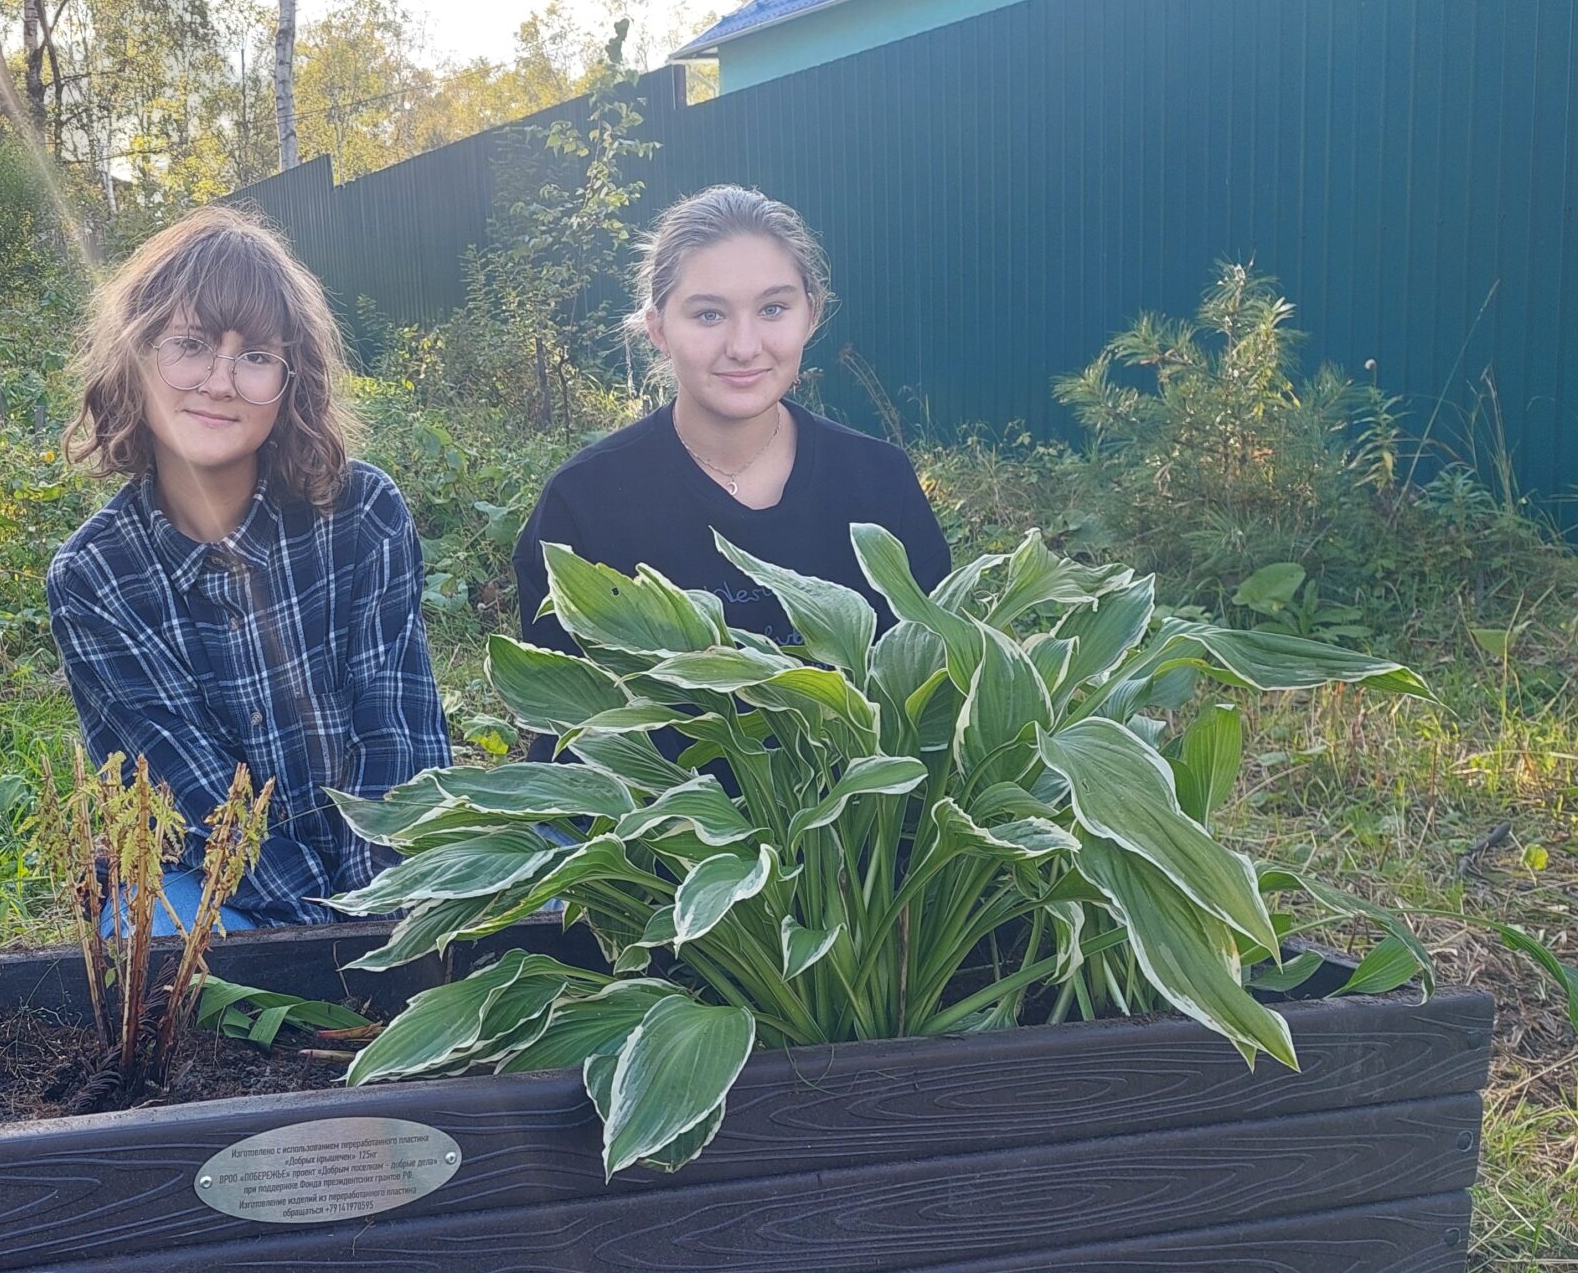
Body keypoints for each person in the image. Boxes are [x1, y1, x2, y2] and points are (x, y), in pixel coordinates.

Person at [46, 207, 450, 932]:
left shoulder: (362, 514)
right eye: (189, 345)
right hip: (222, 887)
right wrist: (316, 944)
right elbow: (192, 797)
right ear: (135, 360)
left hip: (384, 876)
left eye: (256, 356)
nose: (220, 382)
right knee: (157, 930)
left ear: (293, 382)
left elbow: (398, 743)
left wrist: (376, 921)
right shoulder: (94, 577)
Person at [514, 186, 951, 659]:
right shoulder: (582, 503)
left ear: (812, 313)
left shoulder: (882, 484)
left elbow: (933, 681)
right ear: (659, 329)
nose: (744, 346)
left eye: (772, 309)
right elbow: (567, 711)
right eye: (709, 314)